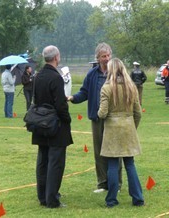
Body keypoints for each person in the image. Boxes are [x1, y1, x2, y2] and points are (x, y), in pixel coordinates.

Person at [67, 42, 122, 193]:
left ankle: (116, 184)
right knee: (99, 151)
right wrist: (72, 97)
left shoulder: (117, 73)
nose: (106, 58)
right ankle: (103, 183)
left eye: (108, 55)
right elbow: (84, 92)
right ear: (97, 58)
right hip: (96, 118)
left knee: (115, 151)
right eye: (103, 56)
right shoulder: (92, 74)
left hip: (113, 118)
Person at [98, 58, 144, 208]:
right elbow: (138, 113)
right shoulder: (131, 87)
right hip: (128, 127)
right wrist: (132, 127)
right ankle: (137, 198)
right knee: (130, 164)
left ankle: (111, 199)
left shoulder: (106, 88)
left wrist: (99, 112)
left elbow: (103, 113)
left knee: (112, 165)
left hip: (112, 130)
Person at [32, 45, 73, 208]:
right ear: (56, 57)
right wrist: (67, 119)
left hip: (40, 122)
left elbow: (35, 99)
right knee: (56, 163)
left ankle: (42, 196)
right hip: (54, 124)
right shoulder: (55, 77)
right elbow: (60, 104)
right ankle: (52, 199)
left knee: (43, 160)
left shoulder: (38, 75)